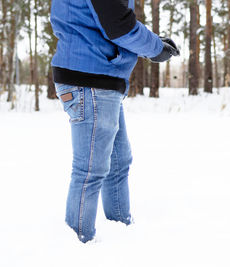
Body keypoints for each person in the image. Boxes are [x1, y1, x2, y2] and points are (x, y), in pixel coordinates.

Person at [50, 0, 179, 243]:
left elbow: (108, 19)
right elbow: (117, 25)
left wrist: (154, 43)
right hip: (89, 78)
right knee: (90, 168)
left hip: (100, 77)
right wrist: (155, 48)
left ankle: (120, 234)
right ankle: (77, 245)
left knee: (118, 162)